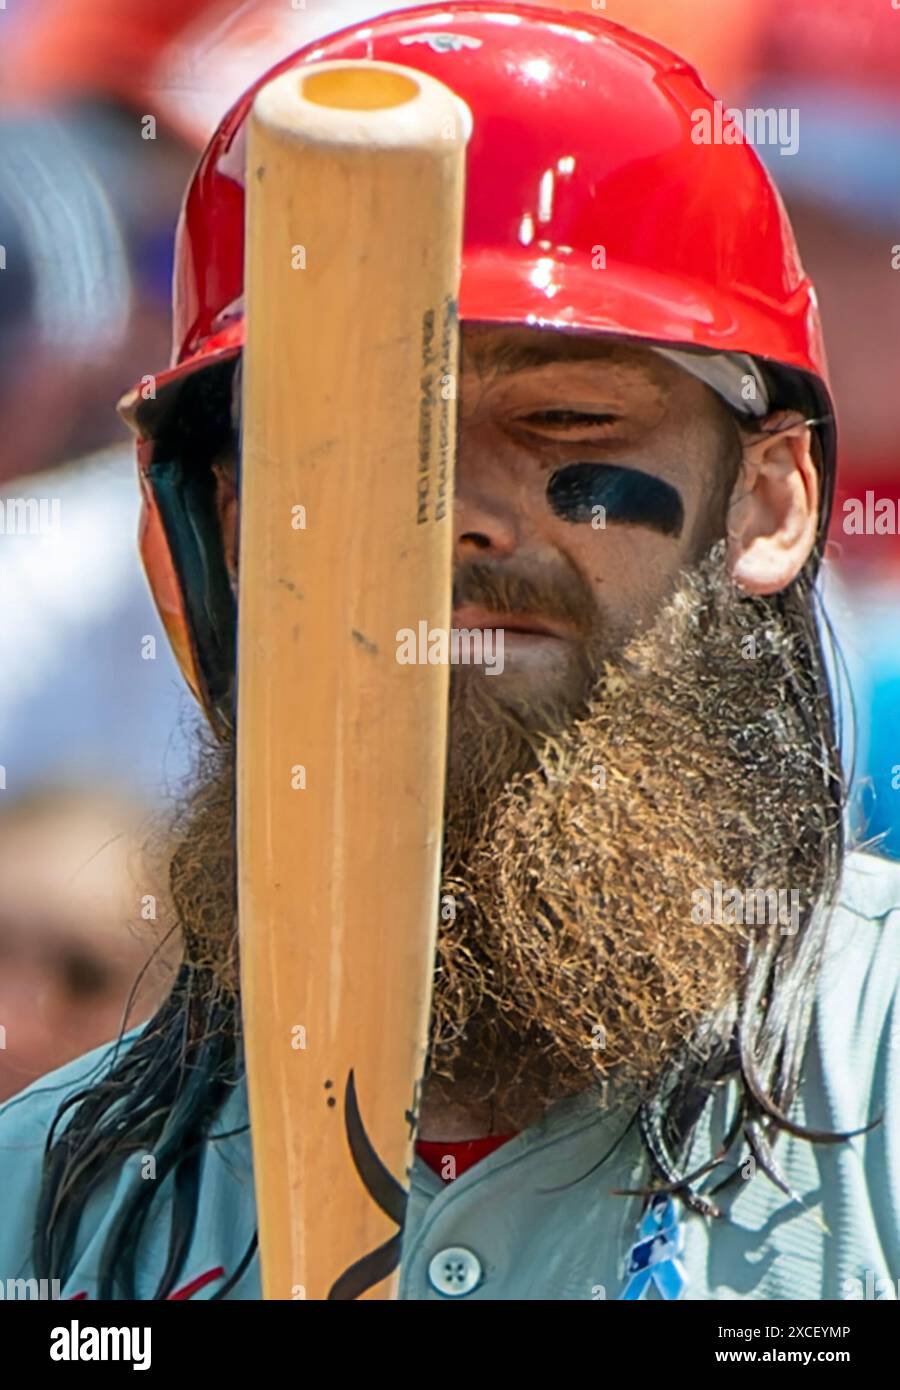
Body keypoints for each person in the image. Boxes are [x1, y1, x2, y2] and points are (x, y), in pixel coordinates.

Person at [1, 2, 898, 1302]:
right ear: (223, 526)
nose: (452, 511)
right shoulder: (47, 1209)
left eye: (562, 417)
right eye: (352, 431)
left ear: (769, 502)